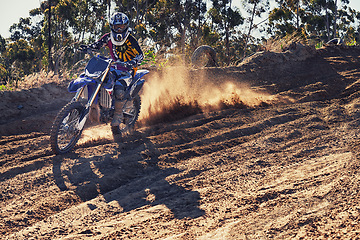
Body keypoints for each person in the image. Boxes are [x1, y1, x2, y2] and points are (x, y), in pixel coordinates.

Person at [81, 12, 144, 141]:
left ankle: (117, 119)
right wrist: (88, 47)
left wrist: (133, 61)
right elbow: (97, 45)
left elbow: (140, 55)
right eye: (116, 27)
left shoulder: (131, 39)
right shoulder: (108, 37)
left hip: (127, 70)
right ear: (112, 27)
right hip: (113, 67)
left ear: (126, 26)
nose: (119, 29)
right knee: (99, 79)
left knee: (120, 89)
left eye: (121, 26)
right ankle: (99, 105)